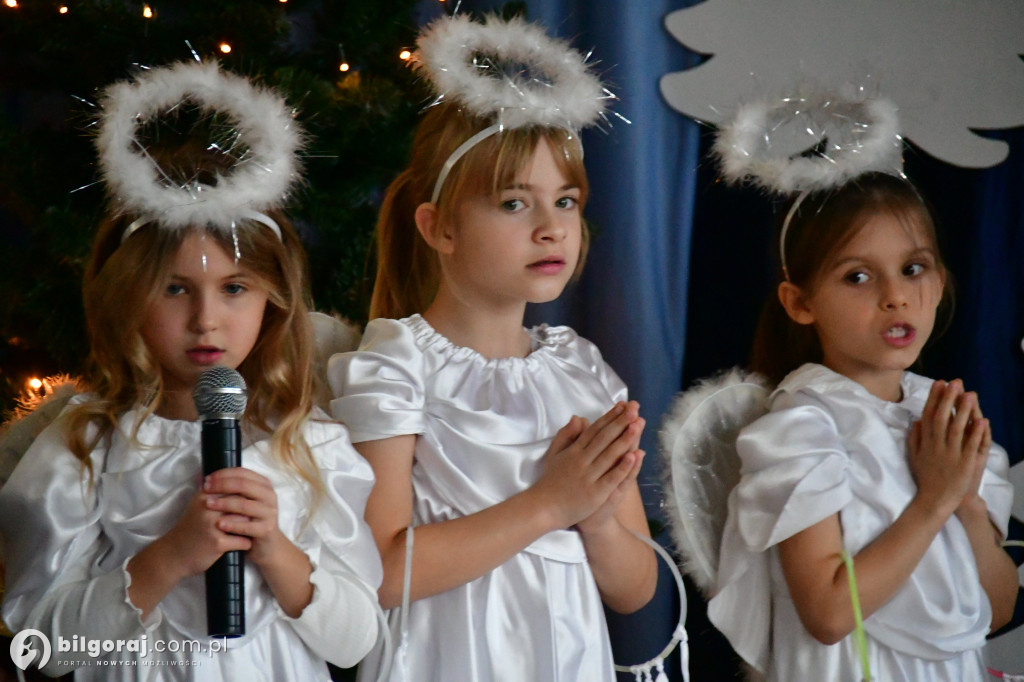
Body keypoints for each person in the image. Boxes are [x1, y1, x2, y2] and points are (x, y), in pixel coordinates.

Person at [0, 62, 382, 681]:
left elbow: (356, 641)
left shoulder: (310, 445)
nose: (207, 320)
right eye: (175, 289)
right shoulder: (87, 448)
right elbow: (39, 652)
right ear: (129, 295)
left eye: (234, 288)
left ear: (273, 302)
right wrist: (169, 557)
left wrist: (276, 549)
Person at [327, 15, 658, 682]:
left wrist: (594, 524)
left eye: (565, 202)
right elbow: (382, 573)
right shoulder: (396, 365)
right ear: (439, 226)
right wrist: (548, 506)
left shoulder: (584, 372)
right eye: (514, 204)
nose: (551, 229)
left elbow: (636, 587)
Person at [708, 171, 1017, 681]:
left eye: (913, 269)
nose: (896, 296)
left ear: (939, 283)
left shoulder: (940, 416)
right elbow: (828, 615)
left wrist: (964, 499)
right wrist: (933, 501)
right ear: (800, 303)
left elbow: (998, 607)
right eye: (858, 276)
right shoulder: (801, 429)